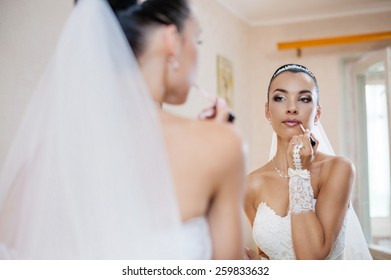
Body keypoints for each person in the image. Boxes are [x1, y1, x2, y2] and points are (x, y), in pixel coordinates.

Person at [0, 0, 245, 259]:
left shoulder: (46, 157)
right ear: (172, 41)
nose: (197, 53)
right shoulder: (220, 145)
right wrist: (213, 143)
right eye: (197, 39)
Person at [244, 64, 372, 260]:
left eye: (304, 99)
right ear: (267, 111)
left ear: (317, 114)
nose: (292, 108)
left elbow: (312, 258)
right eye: (280, 98)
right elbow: (268, 256)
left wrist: (299, 173)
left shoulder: (338, 169)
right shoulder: (250, 184)